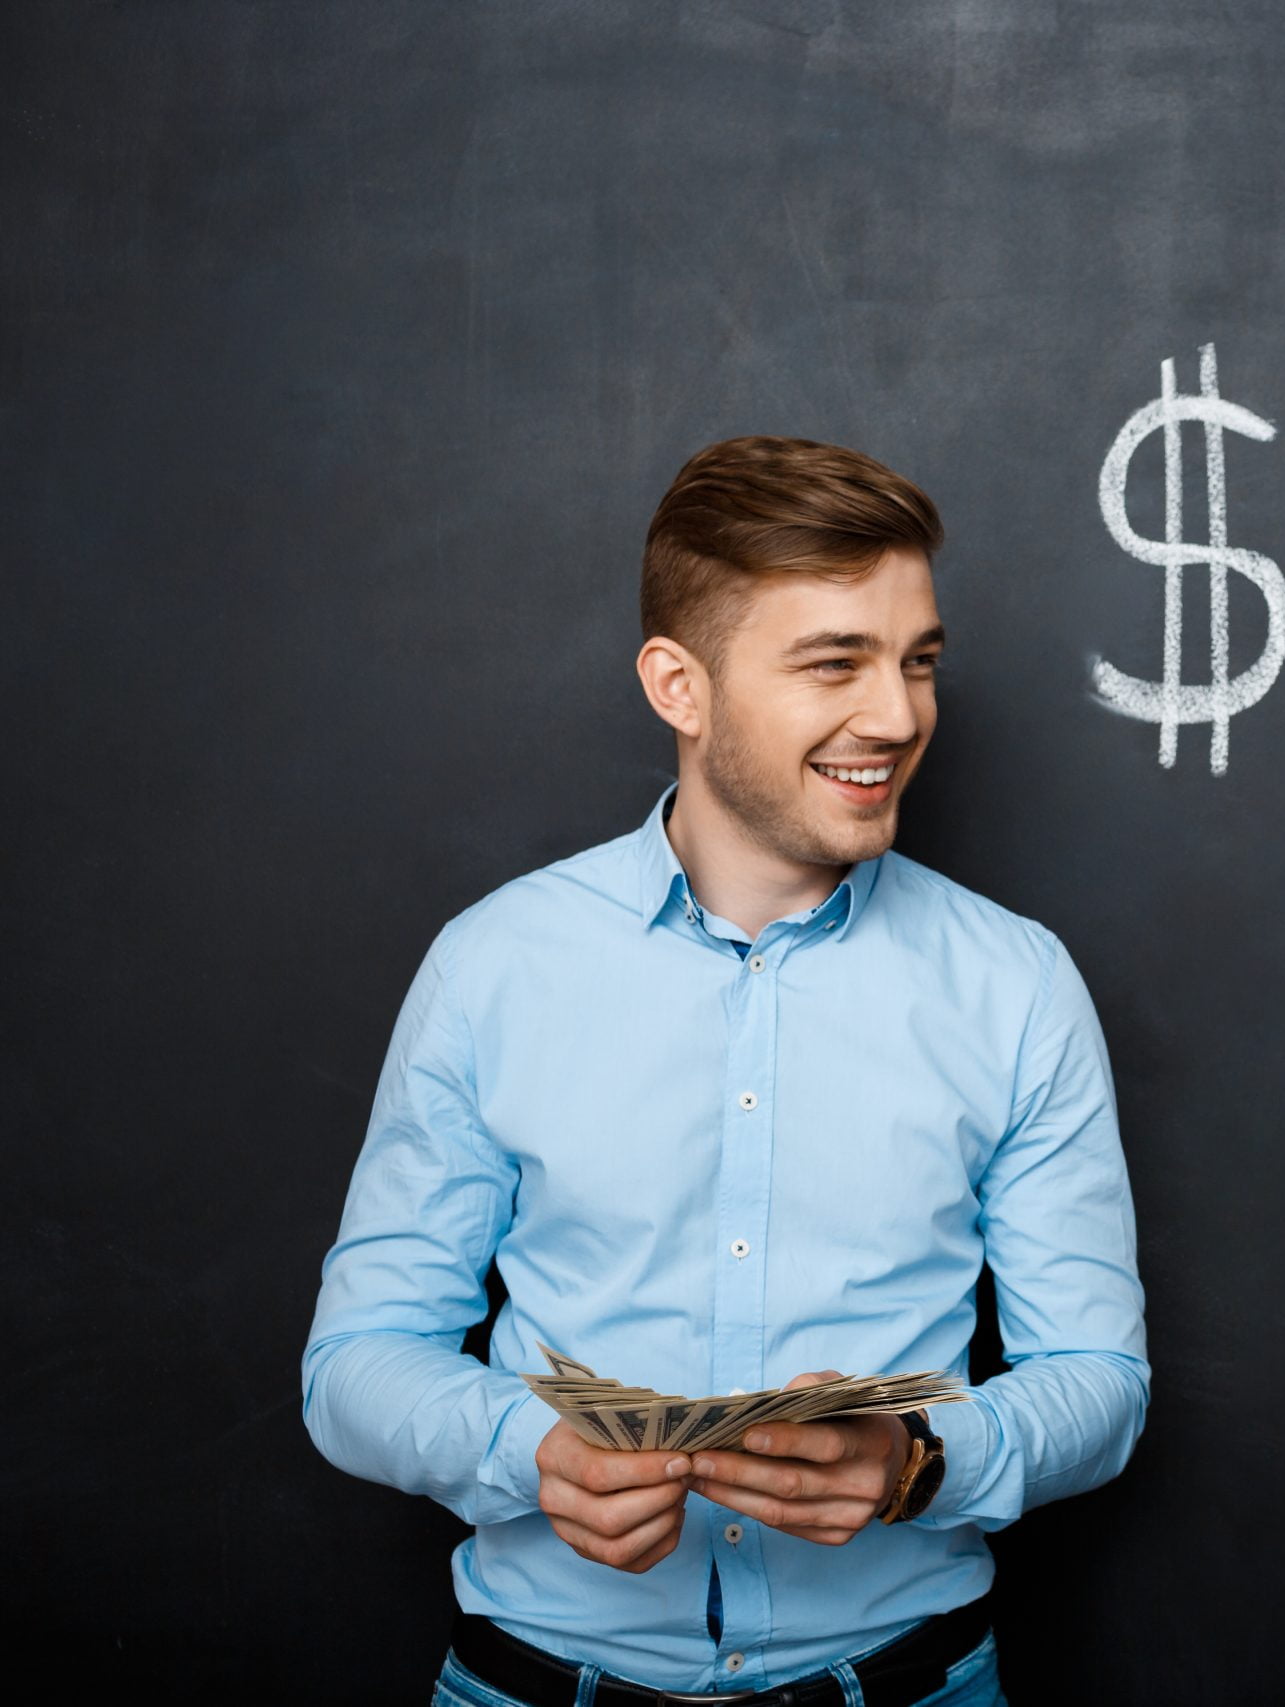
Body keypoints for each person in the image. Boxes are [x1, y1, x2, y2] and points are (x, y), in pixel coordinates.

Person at [302, 435, 1149, 1707]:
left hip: (906, 1682)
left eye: (918, 661)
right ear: (677, 687)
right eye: (834, 664)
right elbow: (359, 1356)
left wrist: (922, 1461)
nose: (899, 716)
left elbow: (1100, 1382)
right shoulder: (493, 968)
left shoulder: (1016, 984)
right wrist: (524, 1450)